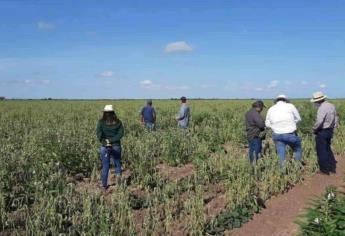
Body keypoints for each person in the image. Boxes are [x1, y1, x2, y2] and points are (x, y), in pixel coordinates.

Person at [265, 95, 302, 167]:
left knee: (281, 154)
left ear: (276, 101)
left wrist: (274, 126)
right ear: (285, 100)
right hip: (290, 134)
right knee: (297, 149)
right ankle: (296, 167)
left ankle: (282, 171)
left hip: (277, 135)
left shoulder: (271, 108)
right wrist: (292, 123)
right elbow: (298, 119)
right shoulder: (290, 106)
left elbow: (267, 123)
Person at [96, 105, 124, 189]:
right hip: (116, 146)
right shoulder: (118, 122)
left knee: (105, 166)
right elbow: (121, 134)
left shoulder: (101, 122)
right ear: (113, 112)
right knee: (117, 164)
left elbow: (99, 134)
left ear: (104, 113)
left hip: (104, 147)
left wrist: (106, 142)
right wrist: (112, 140)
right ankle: (119, 184)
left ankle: (104, 185)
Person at [311, 92, 338, 175]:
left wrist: (314, 129)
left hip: (322, 131)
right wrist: (334, 127)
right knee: (327, 149)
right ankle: (332, 168)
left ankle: (324, 170)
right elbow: (336, 118)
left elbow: (319, 121)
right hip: (330, 130)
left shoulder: (322, 108)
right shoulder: (331, 106)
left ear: (318, 101)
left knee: (321, 151)